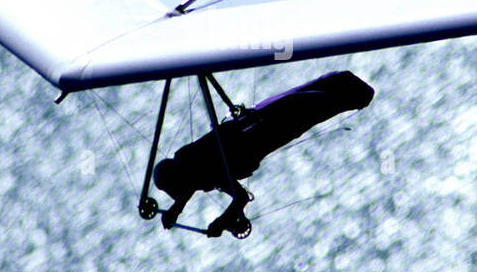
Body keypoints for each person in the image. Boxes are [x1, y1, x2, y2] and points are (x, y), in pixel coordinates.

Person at [154, 71, 374, 236]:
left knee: (310, 106)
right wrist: (175, 210)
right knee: (307, 106)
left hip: (262, 131)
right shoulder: (190, 167)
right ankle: (346, 88)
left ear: (178, 178)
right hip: (254, 127)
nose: (181, 192)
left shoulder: (201, 165)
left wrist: (222, 221)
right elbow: (189, 186)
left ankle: (351, 89)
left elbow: (240, 197)